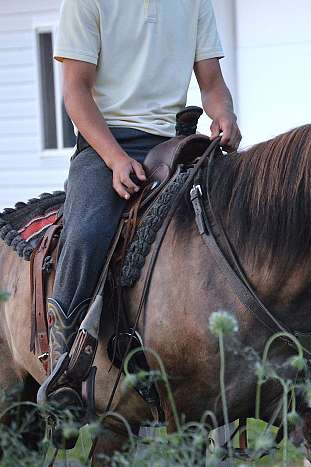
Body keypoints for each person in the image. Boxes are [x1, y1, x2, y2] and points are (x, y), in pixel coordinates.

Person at [37, 0, 240, 440]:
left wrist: (223, 112)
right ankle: (64, 364)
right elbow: (75, 92)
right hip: (105, 142)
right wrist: (114, 159)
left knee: (238, 214)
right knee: (87, 231)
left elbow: (211, 84)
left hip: (174, 142)